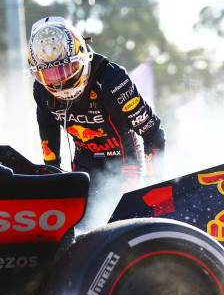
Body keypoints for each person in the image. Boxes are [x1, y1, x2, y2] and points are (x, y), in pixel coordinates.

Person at [28, 16, 165, 190]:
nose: (60, 80)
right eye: (50, 73)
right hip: (85, 161)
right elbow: (47, 126)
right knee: (84, 214)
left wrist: (153, 184)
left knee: (124, 211)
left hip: (123, 159)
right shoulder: (41, 89)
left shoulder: (112, 79)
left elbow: (152, 131)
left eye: (65, 68)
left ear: (82, 57)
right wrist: (52, 173)